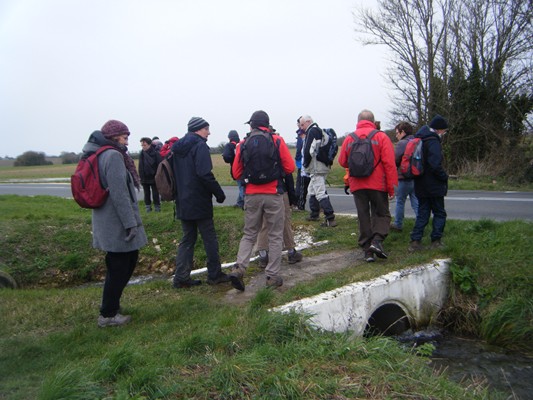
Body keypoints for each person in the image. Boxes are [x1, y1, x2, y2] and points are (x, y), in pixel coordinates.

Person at [82, 119, 147, 327]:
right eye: (123, 135)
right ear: (113, 137)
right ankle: (108, 314)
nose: (127, 138)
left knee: (120, 263)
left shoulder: (101, 153)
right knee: (120, 266)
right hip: (117, 222)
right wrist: (131, 224)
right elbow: (119, 194)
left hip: (108, 220)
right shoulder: (113, 156)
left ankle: (112, 306)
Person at [228, 110, 295, 291]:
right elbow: (290, 167)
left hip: (251, 195)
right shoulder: (277, 140)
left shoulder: (242, 144)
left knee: (249, 234)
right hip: (273, 193)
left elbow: (235, 173)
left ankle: (239, 268)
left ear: (251, 125)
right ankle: (272, 276)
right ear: (267, 124)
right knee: (275, 235)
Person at [171, 117, 230, 288]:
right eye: (206, 129)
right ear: (198, 130)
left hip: (182, 199)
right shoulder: (200, 146)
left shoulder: (177, 148)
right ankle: (215, 275)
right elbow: (204, 173)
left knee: (187, 239)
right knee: (209, 238)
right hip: (199, 200)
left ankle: (181, 278)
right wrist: (218, 193)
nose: (209, 133)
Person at [338, 109, 398, 262]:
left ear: (358, 121)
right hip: (378, 183)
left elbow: (342, 161)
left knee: (363, 215)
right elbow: (389, 164)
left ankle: (367, 251)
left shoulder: (349, 138)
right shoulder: (381, 137)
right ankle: (376, 241)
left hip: (357, 184)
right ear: (373, 121)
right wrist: (391, 187)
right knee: (382, 214)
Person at [256, 130, 303, 267]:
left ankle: (263, 255)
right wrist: (293, 196)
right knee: (283, 220)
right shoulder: (276, 143)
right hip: (277, 189)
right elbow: (289, 170)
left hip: (257, 191)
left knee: (264, 223)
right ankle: (291, 251)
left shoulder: (250, 144)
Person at [409, 115, 449, 251]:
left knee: (423, 212)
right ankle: (436, 241)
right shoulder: (433, 141)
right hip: (434, 184)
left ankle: (415, 241)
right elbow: (435, 164)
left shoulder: (419, 139)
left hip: (420, 183)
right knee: (439, 212)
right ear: (439, 130)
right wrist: (444, 177)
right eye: (444, 131)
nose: (444, 133)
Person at [300, 115, 337, 227]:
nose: (301, 127)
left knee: (320, 192)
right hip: (323, 165)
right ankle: (314, 214)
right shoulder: (319, 130)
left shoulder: (312, 131)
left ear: (308, 122)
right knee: (312, 189)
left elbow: (308, 150)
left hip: (316, 167)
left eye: (302, 124)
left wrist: (305, 164)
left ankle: (330, 218)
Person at [391, 121, 419, 231]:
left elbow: (395, 160)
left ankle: (398, 224)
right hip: (415, 176)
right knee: (415, 201)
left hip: (403, 177)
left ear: (403, 132)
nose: (396, 135)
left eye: (397, 133)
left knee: (400, 201)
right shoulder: (417, 141)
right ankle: (421, 222)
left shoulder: (402, 143)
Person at [138, 137, 163, 212]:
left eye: (144, 145)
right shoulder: (141, 154)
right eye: (142, 145)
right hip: (144, 177)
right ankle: (148, 208)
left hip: (154, 177)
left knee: (155, 193)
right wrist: (141, 177)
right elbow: (140, 166)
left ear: (149, 145)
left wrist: (158, 176)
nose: (143, 147)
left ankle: (157, 207)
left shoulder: (155, 153)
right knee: (146, 193)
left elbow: (159, 165)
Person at [222, 130, 245, 208]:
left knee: (241, 186)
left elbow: (226, 157)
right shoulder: (242, 144)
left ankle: (245, 204)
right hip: (245, 169)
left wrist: (232, 159)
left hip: (236, 169)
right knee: (242, 186)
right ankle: (240, 203)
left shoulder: (229, 146)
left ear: (229, 138)